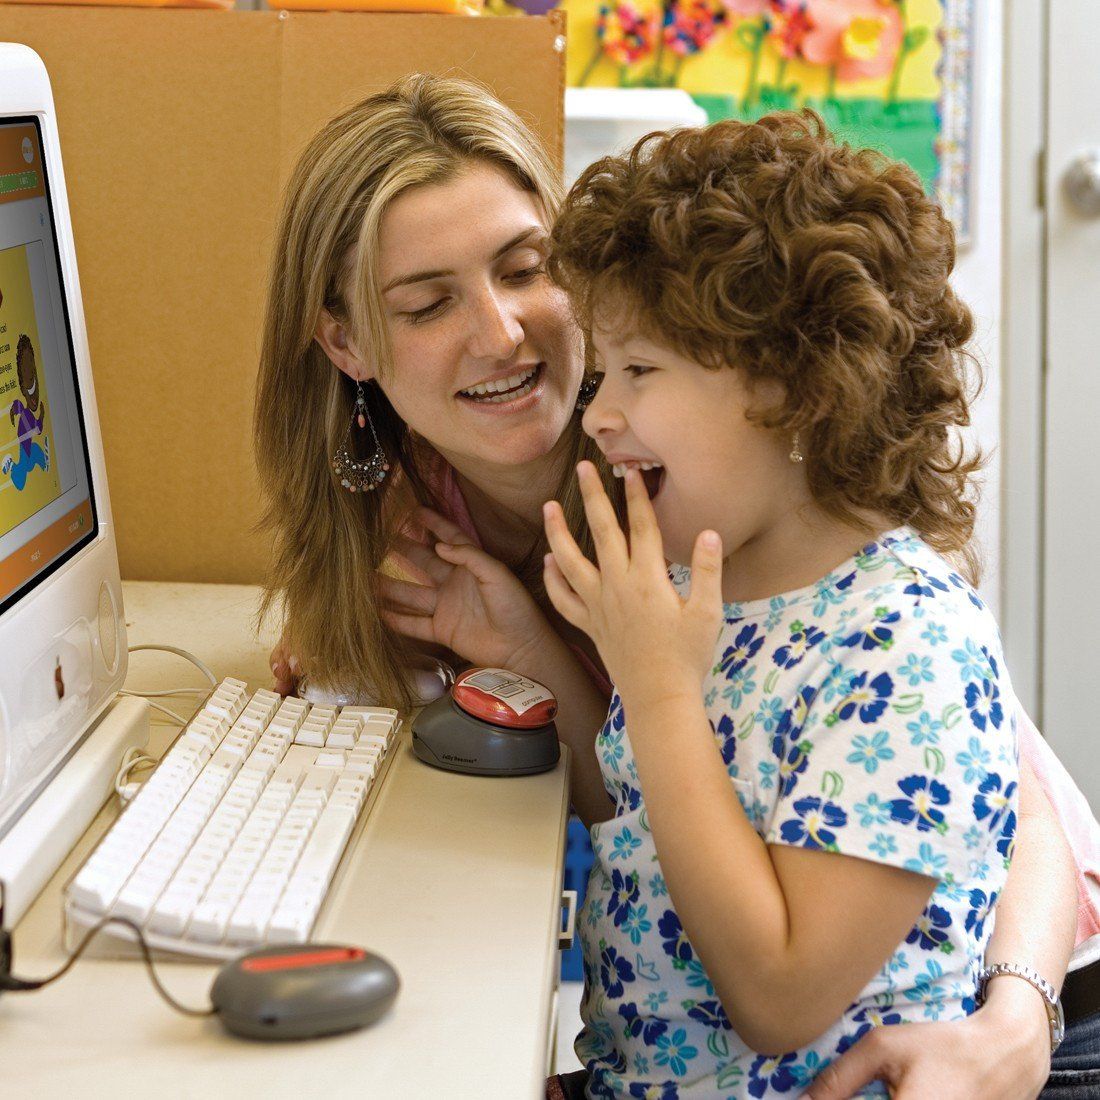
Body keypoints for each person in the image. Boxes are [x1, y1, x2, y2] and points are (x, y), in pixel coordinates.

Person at [253, 74, 1097, 1096]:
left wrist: (1017, 1014)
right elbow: (647, 803)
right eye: (428, 303)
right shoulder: (445, 520)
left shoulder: (781, 532)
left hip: (998, 1011)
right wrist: (527, 649)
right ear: (344, 343)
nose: (503, 332)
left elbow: (1003, 801)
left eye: (524, 269)